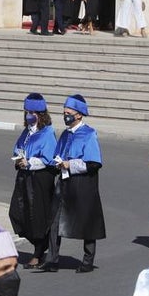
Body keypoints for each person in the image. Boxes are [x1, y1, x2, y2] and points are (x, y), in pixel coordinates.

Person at [43, 95, 105, 274]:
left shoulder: (89, 134)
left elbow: (94, 164)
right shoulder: (64, 134)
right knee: (54, 220)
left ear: (78, 115)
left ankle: (87, 260)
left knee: (87, 221)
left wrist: (71, 165)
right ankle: (52, 259)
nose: (65, 116)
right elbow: (57, 155)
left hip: (83, 184)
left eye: (68, 113)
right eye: (64, 113)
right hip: (63, 183)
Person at [9, 93, 58, 269]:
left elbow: (49, 159)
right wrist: (19, 159)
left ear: (40, 114)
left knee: (37, 215)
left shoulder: (47, 133)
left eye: (32, 112)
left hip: (40, 179)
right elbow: (18, 149)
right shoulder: (26, 132)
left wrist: (29, 163)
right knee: (17, 212)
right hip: (24, 177)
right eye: (26, 111)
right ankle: (39, 244)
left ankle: (38, 252)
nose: (28, 115)